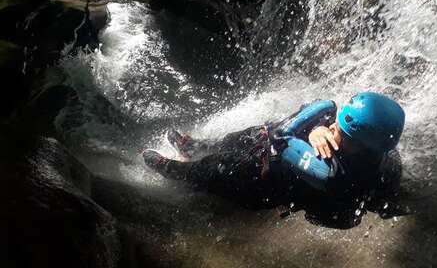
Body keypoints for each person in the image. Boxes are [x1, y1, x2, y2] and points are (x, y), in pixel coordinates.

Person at [142, 92, 406, 228]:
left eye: (339, 130)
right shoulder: (384, 155)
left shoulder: (328, 172)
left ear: (358, 146)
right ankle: (197, 146)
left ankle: (172, 169)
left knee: (208, 170)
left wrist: (317, 128)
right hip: (262, 148)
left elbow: (281, 137)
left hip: (255, 180)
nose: (333, 127)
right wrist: (326, 128)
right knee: (236, 139)